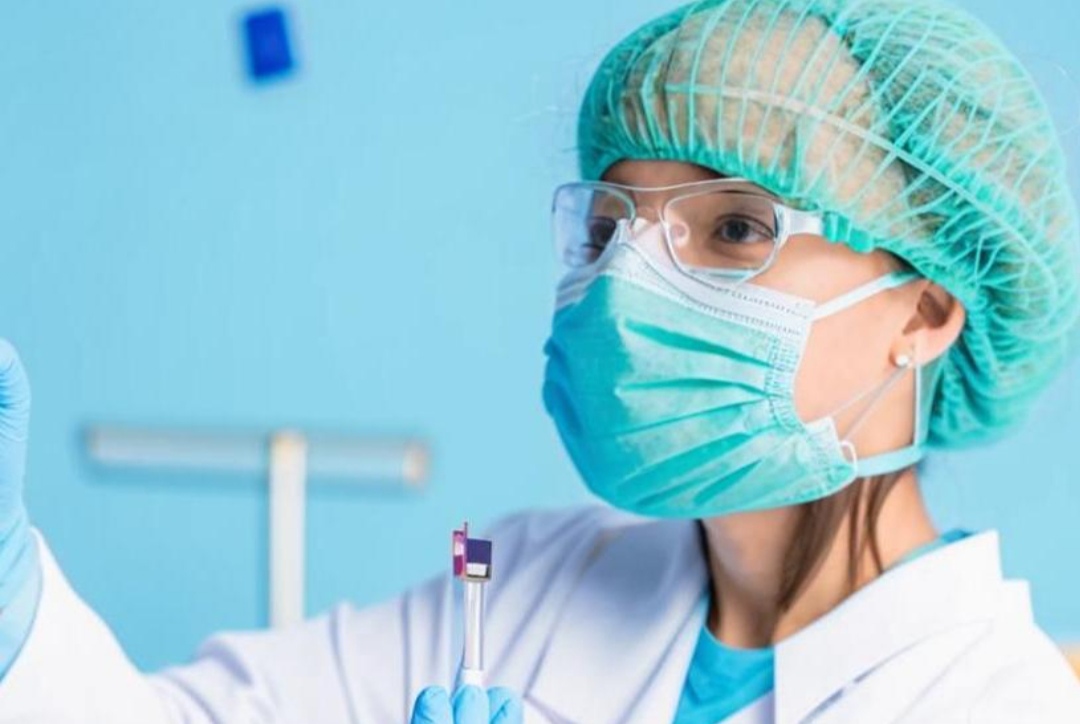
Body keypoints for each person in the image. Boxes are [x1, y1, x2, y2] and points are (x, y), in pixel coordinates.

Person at [3, 0, 1080, 721]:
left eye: (736, 227)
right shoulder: (528, 585)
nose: (627, 287)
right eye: (610, 230)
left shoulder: (1001, 700)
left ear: (925, 312)